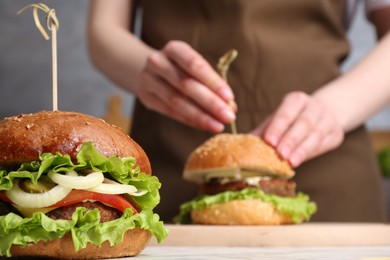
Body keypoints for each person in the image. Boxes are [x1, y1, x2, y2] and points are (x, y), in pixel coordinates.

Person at [87, 0, 390, 223]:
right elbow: (104, 27)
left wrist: (334, 109)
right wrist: (146, 71)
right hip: (171, 159)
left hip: (330, 172)